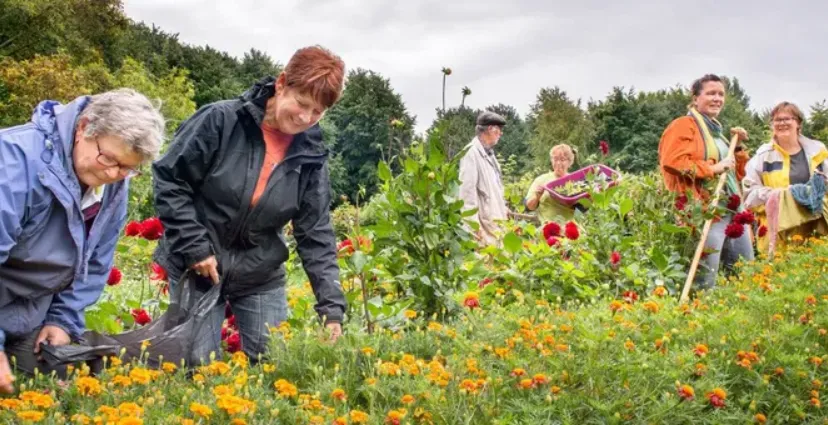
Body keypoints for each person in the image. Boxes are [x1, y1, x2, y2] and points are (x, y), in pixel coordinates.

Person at [152, 45, 348, 365]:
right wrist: (194, 246)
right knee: (200, 367)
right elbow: (170, 180)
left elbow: (315, 231)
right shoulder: (221, 121)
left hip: (260, 273)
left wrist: (332, 309)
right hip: (198, 266)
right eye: (301, 104)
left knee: (274, 364)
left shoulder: (311, 155)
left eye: (317, 112)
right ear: (282, 83)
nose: (305, 117)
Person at [0, 88, 165, 392]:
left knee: (63, 389)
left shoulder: (113, 183)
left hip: (28, 314)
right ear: (83, 127)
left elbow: (94, 261)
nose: (115, 174)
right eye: (109, 159)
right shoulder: (13, 161)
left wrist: (61, 320)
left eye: (129, 168)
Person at [658, 73, 754, 289]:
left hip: (732, 209)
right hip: (706, 210)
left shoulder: (717, 133)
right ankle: (698, 316)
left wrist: (737, 150)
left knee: (745, 271)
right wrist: (711, 168)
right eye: (711, 93)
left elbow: (733, 176)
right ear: (695, 98)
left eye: (721, 94)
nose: (717, 98)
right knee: (705, 278)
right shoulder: (684, 125)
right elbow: (673, 161)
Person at [742, 101, 828, 255]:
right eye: (777, 120)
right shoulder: (762, 157)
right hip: (777, 235)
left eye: (787, 118)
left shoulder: (817, 153)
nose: (782, 123)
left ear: (798, 123)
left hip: (814, 234)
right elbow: (748, 196)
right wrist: (781, 195)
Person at [458, 111, 510, 246]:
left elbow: (494, 191)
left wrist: (504, 209)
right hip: (483, 231)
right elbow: (466, 196)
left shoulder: (490, 155)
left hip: (495, 227)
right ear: (490, 129)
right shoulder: (470, 153)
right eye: (499, 130)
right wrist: (474, 229)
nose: (501, 133)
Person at [524, 144, 577, 223]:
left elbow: (583, 209)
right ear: (551, 160)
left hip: (571, 230)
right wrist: (537, 195)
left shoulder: (576, 181)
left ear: (569, 162)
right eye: (555, 159)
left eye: (562, 160)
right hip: (549, 229)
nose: (558, 163)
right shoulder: (541, 180)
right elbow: (529, 207)